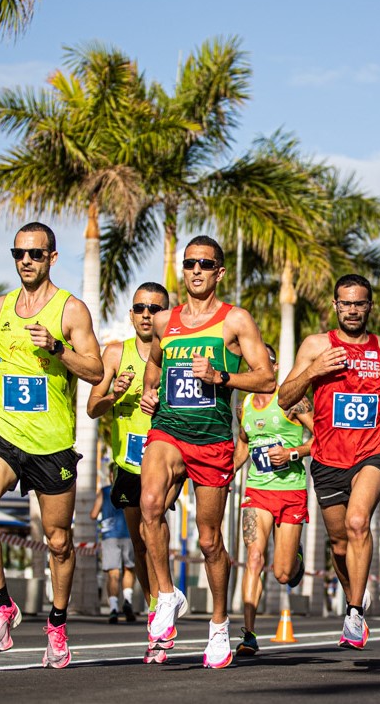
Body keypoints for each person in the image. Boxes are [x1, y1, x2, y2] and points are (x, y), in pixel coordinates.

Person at [0, 222, 103, 669]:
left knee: (59, 542)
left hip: (50, 443)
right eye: (19, 254)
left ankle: (57, 624)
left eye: (35, 254)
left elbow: (96, 370)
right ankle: (2, 604)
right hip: (2, 430)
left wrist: (59, 349)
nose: (26, 261)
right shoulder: (3, 304)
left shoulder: (71, 311)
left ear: (52, 258)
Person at [140, 235, 276, 669]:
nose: (196, 270)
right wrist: (148, 392)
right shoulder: (166, 320)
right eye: (190, 263)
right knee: (149, 505)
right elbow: (156, 363)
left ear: (219, 271)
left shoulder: (234, 320)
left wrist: (221, 377)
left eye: (205, 264)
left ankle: (219, 622)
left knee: (209, 538)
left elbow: (267, 379)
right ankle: (167, 594)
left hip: (213, 439)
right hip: (169, 430)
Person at [278, 274, 380, 650]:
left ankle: (353, 613)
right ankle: (355, 593)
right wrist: (315, 370)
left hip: (372, 451)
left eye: (359, 303)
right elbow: (285, 397)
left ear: (369, 306)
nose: (352, 310)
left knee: (357, 521)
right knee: (337, 544)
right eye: (345, 303)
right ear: (335, 306)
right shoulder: (316, 345)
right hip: (328, 458)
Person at [87, 281, 178, 664]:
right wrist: (114, 393)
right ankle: (157, 608)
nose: (146, 314)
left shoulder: (175, 353)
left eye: (155, 308)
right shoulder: (115, 353)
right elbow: (93, 407)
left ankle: (166, 601)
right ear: (130, 314)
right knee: (139, 543)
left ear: (165, 314)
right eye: (140, 308)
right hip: (128, 461)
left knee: (149, 525)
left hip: (168, 455)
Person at [234, 344, 314, 658]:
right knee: (254, 558)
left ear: (274, 366)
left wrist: (292, 453)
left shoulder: (291, 400)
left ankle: (295, 554)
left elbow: (321, 435)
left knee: (283, 574)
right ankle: (248, 634)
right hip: (258, 490)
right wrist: (226, 474)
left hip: (292, 491)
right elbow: (243, 444)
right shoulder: (246, 405)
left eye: (262, 362)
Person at [90, 463, 137, 624]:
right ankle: (128, 601)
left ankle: (113, 608)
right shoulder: (131, 488)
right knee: (129, 569)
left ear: (110, 475)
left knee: (113, 574)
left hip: (110, 536)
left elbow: (93, 514)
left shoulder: (104, 492)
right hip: (129, 533)